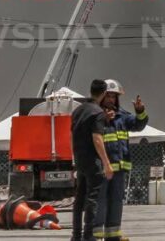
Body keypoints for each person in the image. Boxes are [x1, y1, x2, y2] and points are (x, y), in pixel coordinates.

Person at [94, 79, 148, 241]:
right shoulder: (94, 115)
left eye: (114, 96)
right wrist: (103, 119)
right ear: (102, 96)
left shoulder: (122, 116)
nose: (111, 99)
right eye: (108, 96)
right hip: (102, 168)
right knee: (100, 201)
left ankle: (113, 235)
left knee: (116, 201)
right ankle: (95, 236)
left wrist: (140, 112)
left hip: (119, 169)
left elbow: (138, 125)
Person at [71, 79, 115, 241]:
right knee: (92, 198)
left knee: (79, 199)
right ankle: (88, 236)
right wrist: (107, 163)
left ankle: (76, 236)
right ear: (103, 94)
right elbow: (97, 138)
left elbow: (75, 135)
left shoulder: (78, 111)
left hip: (80, 161)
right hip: (93, 163)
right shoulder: (97, 112)